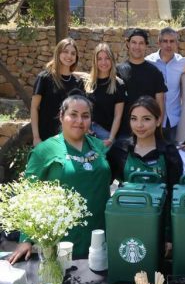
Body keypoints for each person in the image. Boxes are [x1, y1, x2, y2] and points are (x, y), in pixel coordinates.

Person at [8, 93, 111, 263]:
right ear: (62, 116)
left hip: (101, 235)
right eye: (73, 114)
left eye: (85, 116)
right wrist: (25, 239)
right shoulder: (44, 151)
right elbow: (29, 194)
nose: (79, 121)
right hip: (64, 241)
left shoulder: (99, 146)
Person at [121, 96, 182, 257]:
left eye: (146, 119)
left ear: (157, 120)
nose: (139, 125)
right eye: (134, 119)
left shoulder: (169, 153)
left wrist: (170, 236)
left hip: (159, 226)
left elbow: (174, 196)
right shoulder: (120, 150)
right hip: (127, 223)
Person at [113, 28, 168, 176]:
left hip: (148, 131)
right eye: (134, 43)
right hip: (124, 133)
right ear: (128, 44)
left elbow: (160, 103)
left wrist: (157, 127)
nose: (137, 46)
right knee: (125, 174)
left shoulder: (154, 72)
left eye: (141, 43)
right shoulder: (118, 70)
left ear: (146, 46)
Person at [31, 37, 84, 146]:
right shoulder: (44, 78)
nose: (69, 56)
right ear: (58, 53)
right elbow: (34, 108)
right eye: (65, 52)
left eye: (73, 53)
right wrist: (36, 137)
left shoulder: (78, 82)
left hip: (70, 140)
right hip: (46, 138)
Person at [145, 27, 185, 143]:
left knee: (175, 155)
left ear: (177, 43)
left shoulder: (183, 63)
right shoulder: (149, 62)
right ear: (159, 43)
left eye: (172, 41)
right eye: (165, 41)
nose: (169, 45)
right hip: (154, 119)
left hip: (176, 119)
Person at [84, 43, 125, 148]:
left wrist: (111, 138)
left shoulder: (118, 85)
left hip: (105, 134)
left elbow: (118, 116)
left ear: (112, 60)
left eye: (107, 58)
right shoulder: (89, 83)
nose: (103, 62)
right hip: (86, 131)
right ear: (95, 61)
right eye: (100, 59)